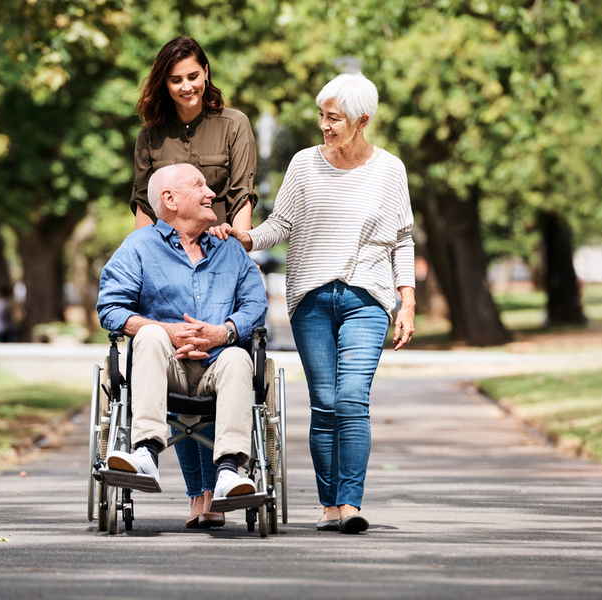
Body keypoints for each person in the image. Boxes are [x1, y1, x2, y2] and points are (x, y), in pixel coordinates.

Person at [213, 73, 417, 534]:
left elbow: (402, 240)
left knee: (351, 398)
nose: (324, 125)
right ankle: (329, 505)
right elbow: (280, 222)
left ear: (361, 120)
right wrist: (246, 236)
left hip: (367, 296)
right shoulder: (305, 165)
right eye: (322, 115)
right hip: (311, 297)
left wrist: (406, 302)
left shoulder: (390, 170)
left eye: (334, 118)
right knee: (324, 401)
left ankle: (350, 503)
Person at [130, 36, 259, 528]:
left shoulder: (234, 126)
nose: (187, 86)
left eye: (193, 75)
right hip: (170, 255)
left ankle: (221, 479)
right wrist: (148, 264)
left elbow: (243, 194)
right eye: (176, 79)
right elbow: (146, 208)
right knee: (171, 340)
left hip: (221, 255)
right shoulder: (151, 135)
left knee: (217, 355)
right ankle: (199, 492)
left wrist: (239, 249)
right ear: (165, 82)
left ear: (207, 72)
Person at [97, 163, 268, 521]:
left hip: (218, 368)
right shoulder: (139, 246)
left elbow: (255, 303)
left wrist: (224, 332)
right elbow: (110, 307)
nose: (211, 194)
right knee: (150, 334)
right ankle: (145, 454)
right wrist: (166, 330)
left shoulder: (229, 248)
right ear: (170, 200)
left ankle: (227, 472)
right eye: (199, 186)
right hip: (166, 367)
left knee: (239, 358)